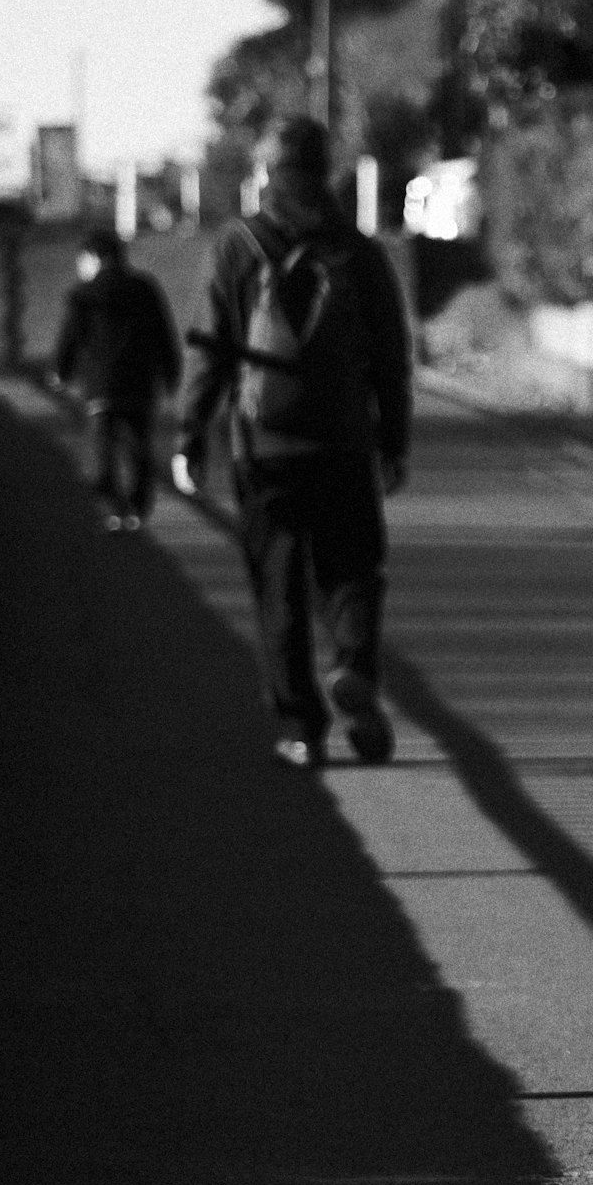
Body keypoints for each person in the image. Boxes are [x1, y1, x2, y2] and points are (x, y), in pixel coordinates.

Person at [176, 117, 413, 768]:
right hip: (342, 442)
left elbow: (211, 350)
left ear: (265, 173)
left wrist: (191, 434)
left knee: (277, 585)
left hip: (265, 449)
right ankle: (354, 664)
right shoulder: (358, 252)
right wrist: (393, 442)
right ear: (324, 171)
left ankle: (301, 729)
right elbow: (390, 357)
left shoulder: (237, 247)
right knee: (354, 570)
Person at [52, 233, 182, 531]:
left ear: (95, 257)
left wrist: (62, 370)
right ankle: (138, 507)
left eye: (82, 259)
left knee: (103, 447)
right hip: (139, 382)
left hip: (101, 385)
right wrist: (171, 373)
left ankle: (112, 506)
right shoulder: (145, 288)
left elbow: (70, 336)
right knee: (139, 445)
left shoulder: (84, 293)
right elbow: (164, 333)